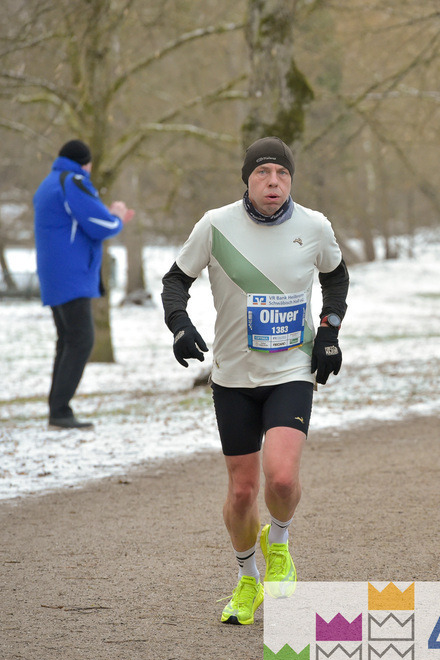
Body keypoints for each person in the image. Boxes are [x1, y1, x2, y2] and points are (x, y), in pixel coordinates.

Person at [160, 137, 349, 626]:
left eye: (282, 174)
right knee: (243, 492)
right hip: (233, 376)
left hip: (291, 370)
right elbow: (174, 280)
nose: (273, 183)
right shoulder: (216, 224)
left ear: (291, 180)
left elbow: (337, 277)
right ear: (247, 179)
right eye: (263, 173)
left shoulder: (314, 226)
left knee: (281, 476)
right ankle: (247, 579)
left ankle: (280, 543)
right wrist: (180, 326)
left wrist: (328, 332)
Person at [33, 139, 135, 429]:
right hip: (72, 276)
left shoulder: (49, 182)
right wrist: (116, 216)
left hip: (53, 275)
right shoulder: (73, 181)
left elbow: (79, 218)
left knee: (67, 340)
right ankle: (61, 411)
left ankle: (57, 408)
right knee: (81, 340)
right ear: (85, 163)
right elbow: (99, 224)